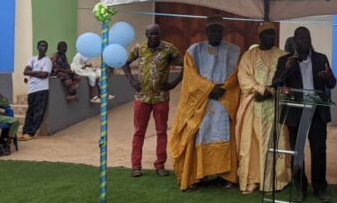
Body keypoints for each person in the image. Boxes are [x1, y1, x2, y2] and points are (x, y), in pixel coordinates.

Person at [169, 16, 240, 191]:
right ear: (206, 31)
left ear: (223, 32)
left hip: (224, 100)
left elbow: (236, 76)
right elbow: (190, 77)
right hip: (201, 103)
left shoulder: (234, 51)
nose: (216, 33)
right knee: (200, 134)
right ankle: (198, 175)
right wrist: (209, 89)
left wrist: (223, 88)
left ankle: (225, 176)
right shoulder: (194, 51)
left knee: (225, 136)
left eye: (219, 30)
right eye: (212, 30)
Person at [273, 26, 337, 202]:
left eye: (308, 39)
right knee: (297, 151)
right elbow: (276, 83)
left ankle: (320, 187)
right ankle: (300, 187)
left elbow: (332, 83)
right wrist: (286, 69)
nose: (306, 42)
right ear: (295, 41)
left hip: (317, 111)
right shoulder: (285, 60)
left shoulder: (320, 58)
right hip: (296, 112)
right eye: (302, 39)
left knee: (319, 150)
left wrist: (326, 77)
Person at [123, 24, 183, 177]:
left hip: (161, 97)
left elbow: (186, 64)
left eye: (156, 34)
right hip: (142, 97)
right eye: (151, 34)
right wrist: (132, 81)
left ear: (160, 34)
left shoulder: (169, 49)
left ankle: (160, 165)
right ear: (146, 34)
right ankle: (136, 166)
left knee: (161, 132)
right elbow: (124, 62)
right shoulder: (139, 48)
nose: (154, 36)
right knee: (139, 132)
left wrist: (174, 83)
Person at [236, 22, 290, 194]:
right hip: (254, 104)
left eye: (273, 34)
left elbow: (288, 77)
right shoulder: (248, 56)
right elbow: (243, 76)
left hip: (275, 106)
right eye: (267, 34)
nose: (271, 37)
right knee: (251, 144)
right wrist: (260, 89)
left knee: (273, 143)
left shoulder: (282, 55)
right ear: (259, 36)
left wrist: (270, 91)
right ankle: (253, 179)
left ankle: (273, 181)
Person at [20, 40, 53, 141]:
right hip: (31, 89)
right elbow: (25, 72)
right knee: (30, 111)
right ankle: (25, 131)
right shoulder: (32, 59)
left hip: (42, 89)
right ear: (37, 47)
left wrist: (32, 72)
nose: (44, 48)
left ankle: (31, 132)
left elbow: (44, 75)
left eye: (45, 46)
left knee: (38, 112)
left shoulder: (47, 60)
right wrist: (38, 72)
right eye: (42, 46)